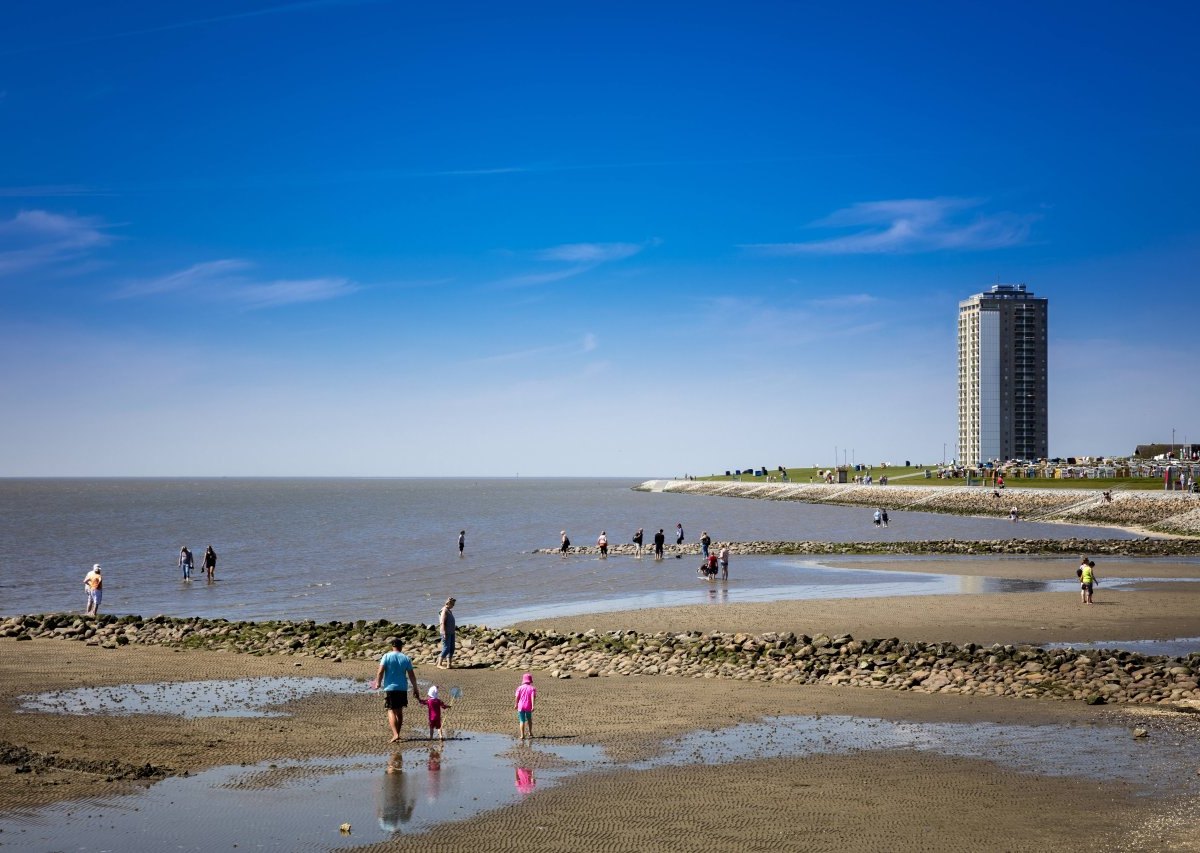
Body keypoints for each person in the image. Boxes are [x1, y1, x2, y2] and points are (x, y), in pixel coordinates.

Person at [371, 636, 420, 743]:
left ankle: (395, 734)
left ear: (392, 646)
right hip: (402, 688)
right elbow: (412, 676)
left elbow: (380, 672)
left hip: (390, 688)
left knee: (391, 710)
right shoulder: (406, 658)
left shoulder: (386, 656)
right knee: (399, 711)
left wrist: (378, 683)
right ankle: (398, 733)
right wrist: (415, 688)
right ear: (401, 647)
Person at [515, 672, 537, 740]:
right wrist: (533, 706)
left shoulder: (519, 688)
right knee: (529, 720)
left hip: (520, 706)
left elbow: (517, 697)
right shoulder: (532, 688)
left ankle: (522, 735)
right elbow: (532, 697)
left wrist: (516, 704)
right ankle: (530, 732)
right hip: (528, 706)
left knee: (522, 721)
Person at [437, 597, 456, 669]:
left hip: (451, 632)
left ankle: (449, 664)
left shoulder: (449, 610)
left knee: (452, 648)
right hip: (446, 632)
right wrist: (444, 633)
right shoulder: (444, 610)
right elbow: (442, 623)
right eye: (453, 604)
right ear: (448, 603)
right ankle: (439, 664)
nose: (453, 606)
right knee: (446, 648)